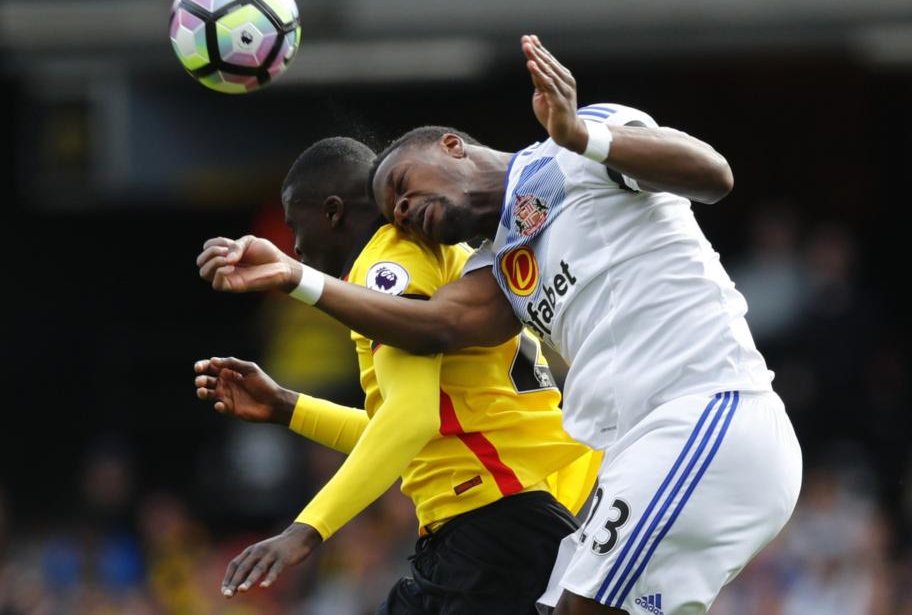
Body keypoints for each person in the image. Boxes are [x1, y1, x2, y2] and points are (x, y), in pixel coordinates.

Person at [197, 36, 803, 615]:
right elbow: (434, 327)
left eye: (404, 187)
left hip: (707, 411)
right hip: (639, 453)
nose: (405, 211)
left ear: (452, 145)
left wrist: (581, 134)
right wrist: (293, 293)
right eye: (394, 212)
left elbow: (713, 175)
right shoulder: (503, 264)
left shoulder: (573, 150)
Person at [195, 136, 600, 615]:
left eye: (292, 224)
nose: (295, 245)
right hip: (508, 526)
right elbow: (411, 432)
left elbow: (411, 419)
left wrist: (305, 532)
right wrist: (288, 407)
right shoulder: (420, 259)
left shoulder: (386, 265)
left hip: (495, 529)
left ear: (331, 212)